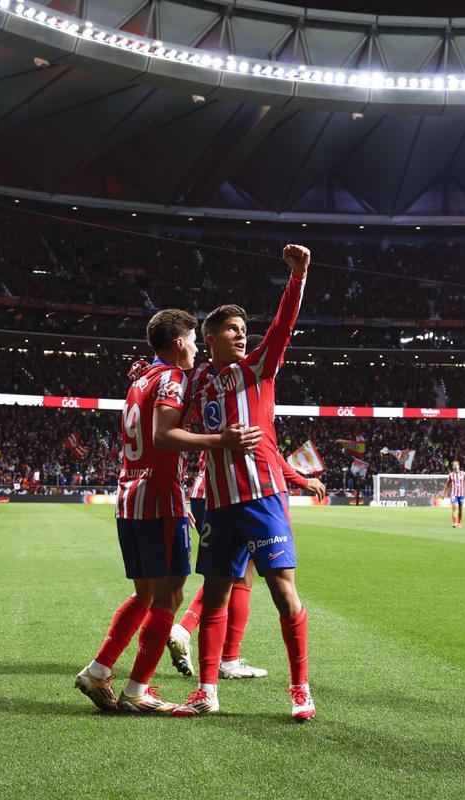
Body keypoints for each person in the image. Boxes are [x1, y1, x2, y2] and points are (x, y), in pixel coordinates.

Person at [74, 310, 261, 714]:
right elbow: (162, 435)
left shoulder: (142, 378)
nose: (196, 348)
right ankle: (137, 690)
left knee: (144, 595)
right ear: (179, 343)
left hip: (130, 496)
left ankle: (98, 671)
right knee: (170, 596)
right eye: (193, 340)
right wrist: (221, 440)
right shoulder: (172, 378)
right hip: (159, 498)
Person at [170, 244, 316, 722]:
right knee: (215, 594)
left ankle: (300, 689)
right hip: (218, 502)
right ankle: (207, 690)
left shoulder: (257, 368)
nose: (241, 334)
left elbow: (282, 327)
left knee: (282, 590)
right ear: (210, 337)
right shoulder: (197, 382)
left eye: (243, 329)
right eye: (232, 328)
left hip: (262, 497)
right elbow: (170, 413)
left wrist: (297, 277)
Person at [167, 452, 326, 679]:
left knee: (225, 573)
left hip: (205, 491)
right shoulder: (245, 427)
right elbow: (270, 454)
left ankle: (189, 631)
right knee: (238, 574)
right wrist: (302, 481)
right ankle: (223, 656)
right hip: (234, 493)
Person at [442, 459, 465, 528]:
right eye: (453, 465)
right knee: (454, 508)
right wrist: (443, 493)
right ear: (452, 467)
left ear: (458, 466)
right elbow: (447, 485)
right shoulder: (451, 475)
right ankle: (454, 523)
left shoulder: (463, 474)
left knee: (460, 509)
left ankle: (459, 523)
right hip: (454, 494)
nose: (455, 466)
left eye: (456, 465)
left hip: (461, 494)